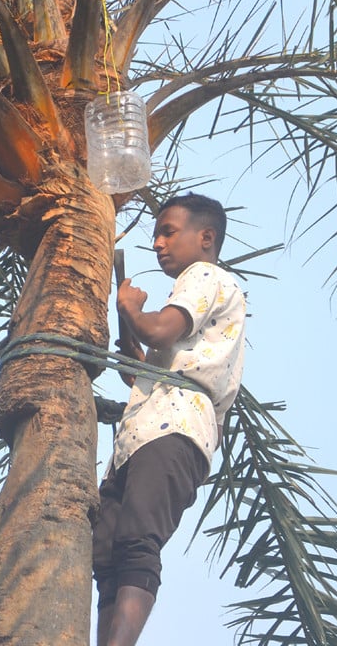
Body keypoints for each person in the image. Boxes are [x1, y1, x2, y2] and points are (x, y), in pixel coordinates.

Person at [93, 193, 247, 646]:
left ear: (206, 238)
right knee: (108, 557)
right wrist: (137, 354)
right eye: (157, 234)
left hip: (173, 429)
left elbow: (160, 330)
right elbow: (163, 364)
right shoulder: (205, 290)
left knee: (136, 542)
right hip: (145, 434)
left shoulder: (205, 276)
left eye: (168, 232)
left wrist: (131, 309)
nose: (157, 243)